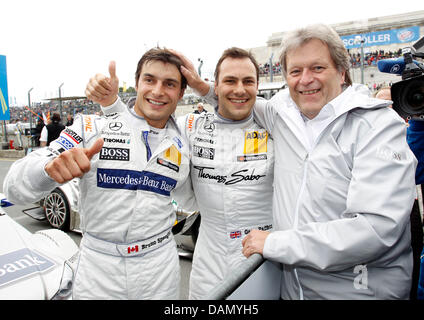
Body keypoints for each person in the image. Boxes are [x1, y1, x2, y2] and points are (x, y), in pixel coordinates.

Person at [193, 24, 417, 299]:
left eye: (318, 68)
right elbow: (238, 98)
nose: (305, 79)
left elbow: (374, 230)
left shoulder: (379, 126)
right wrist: (201, 86)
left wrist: (277, 243)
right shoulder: (281, 114)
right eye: (295, 71)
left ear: (342, 71)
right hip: (291, 291)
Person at [3, 48, 196, 300]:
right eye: (149, 80)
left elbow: (192, 198)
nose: (158, 91)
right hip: (99, 269)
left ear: (181, 92)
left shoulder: (184, 142)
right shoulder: (92, 126)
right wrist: (48, 170)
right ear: (137, 83)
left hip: (159, 268)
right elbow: (13, 188)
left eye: (170, 84)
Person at [85, 47, 274, 300]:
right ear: (215, 86)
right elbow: (147, 122)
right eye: (229, 81)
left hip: (263, 255)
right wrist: (112, 105)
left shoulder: (276, 125)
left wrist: (201, 87)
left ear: (258, 86)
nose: (239, 89)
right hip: (209, 257)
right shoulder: (189, 127)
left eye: (248, 81)